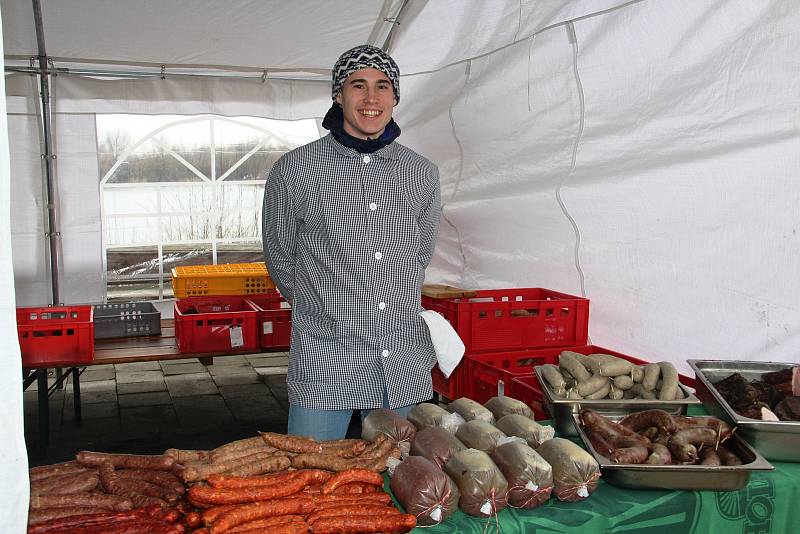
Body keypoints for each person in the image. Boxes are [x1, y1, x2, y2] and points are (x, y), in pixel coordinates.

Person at [262, 45, 441, 440]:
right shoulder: (294, 169)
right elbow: (279, 257)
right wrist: (325, 308)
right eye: (358, 85)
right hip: (327, 357)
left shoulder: (421, 173)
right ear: (338, 95)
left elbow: (420, 255)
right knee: (313, 479)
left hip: (402, 358)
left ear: (395, 97)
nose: (371, 98)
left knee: (410, 483)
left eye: (383, 86)